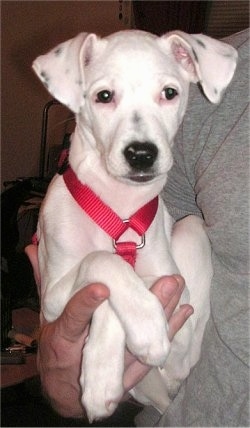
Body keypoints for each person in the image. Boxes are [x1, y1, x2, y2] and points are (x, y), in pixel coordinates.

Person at [25, 28, 249, 427]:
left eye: (166, 94)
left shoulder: (155, 207)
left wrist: (111, 311)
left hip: (181, 360)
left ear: (190, 74)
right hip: (148, 393)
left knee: (192, 232)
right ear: (77, 93)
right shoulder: (63, 204)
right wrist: (106, 275)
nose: (141, 139)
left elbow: (164, 294)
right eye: (106, 97)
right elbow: (57, 307)